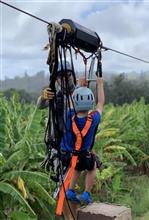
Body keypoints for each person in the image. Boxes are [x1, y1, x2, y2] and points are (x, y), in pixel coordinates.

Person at [37, 61, 105, 218]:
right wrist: (43, 97)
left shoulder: (76, 96)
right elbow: (41, 105)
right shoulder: (55, 95)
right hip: (59, 150)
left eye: (67, 75)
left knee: (67, 191)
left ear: (72, 75)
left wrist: (83, 89)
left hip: (75, 151)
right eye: (60, 76)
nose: (65, 79)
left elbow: (83, 115)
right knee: (65, 191)